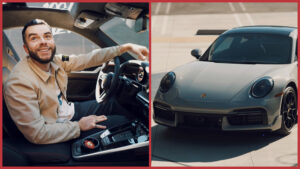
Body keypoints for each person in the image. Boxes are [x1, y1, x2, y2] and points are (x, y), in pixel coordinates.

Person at [3, 19, 149, 144]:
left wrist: (125, 48)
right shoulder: (19, 83)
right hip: (58, 127)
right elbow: (37, 134)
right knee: (123, 123)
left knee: (114, 104)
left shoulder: (56, 60)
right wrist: (78, 126)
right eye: (34, 38)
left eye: (47, 36)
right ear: (26, 49)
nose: (43, 42)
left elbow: (86, 59)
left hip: (69, 112)